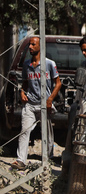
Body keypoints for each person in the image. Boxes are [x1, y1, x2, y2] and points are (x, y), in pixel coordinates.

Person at [11, 37, 62, 170]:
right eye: (29, 45)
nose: (30, 47)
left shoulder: (49, 64)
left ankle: (48, 159)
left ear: (40, 47)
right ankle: (21, 160)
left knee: (47, 133)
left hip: (44, 105)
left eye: (33, 44)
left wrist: (50, 99)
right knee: (24, 131)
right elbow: (25, 83)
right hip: (30, 105)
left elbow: (58, 83)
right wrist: (22, 92)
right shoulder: (27, 65)